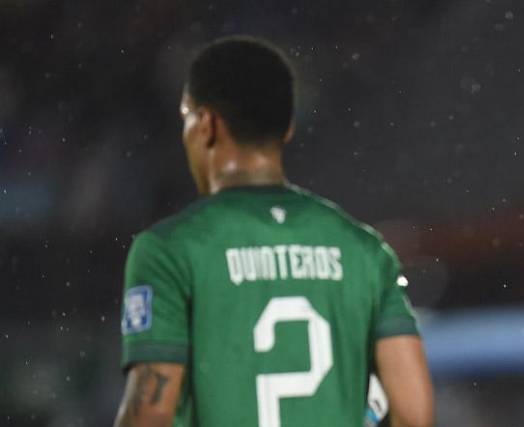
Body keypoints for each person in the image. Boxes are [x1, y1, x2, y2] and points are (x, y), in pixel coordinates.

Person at [112, 36, 433, 427]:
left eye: (186, 117)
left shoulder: (168, 250)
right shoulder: (365, 251)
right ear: (288, 128)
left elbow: (149, 415)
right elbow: (414, 415)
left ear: (207, 124)